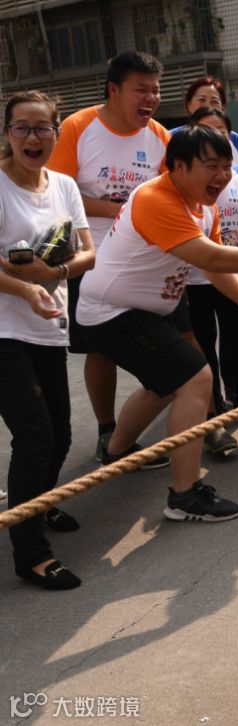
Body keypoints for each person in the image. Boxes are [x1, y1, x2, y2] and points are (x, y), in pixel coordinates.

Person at [76, 125, 238, 522]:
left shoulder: (203, 205)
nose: (222, 176)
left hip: (142, 312)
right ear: (177, 166)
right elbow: (212, 257)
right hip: (110, 311)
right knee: (195, 379)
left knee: (165, 384)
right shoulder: (155, 198)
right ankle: (185, 495)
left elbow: (211, 267)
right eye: (211, 166)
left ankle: (116, 453)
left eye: (227, 166)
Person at [47, 51, 172, 467]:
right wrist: (121, 210)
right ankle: (107, 430)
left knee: (171, 343)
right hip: (90, 257)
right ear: (114, 90)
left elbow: (169, 195)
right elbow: (59, 193)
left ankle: (186, 417)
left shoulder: (160, 136)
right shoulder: (78, 126)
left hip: (146, 261)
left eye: (156, 90)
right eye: (141, 89)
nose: (151, 98)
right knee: (98, 350)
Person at [0, 91, 97, 590]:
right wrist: (26, 287)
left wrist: (51, 274)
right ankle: (31, 555)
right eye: (22, 127)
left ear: (56, 133)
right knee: (35, 434)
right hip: (4, 330)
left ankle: (38, 503)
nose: (32, 137)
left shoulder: (63, 185)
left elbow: (88, 253)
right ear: (7, 133)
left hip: (47, 326)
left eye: (42, 128)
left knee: (59, 434)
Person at [184, 109, 238, 456]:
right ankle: (213, 406)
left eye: (221, 130)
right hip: (195, 276)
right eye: (207, 130)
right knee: (204, 341)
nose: (216, 136)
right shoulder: (188, 178)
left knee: (236, 337)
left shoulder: (236, 174)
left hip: (235, 270)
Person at [170, 76, 238, 164]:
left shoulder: (233, 139)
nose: (208, 106)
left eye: (215, 101)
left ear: (223, 107)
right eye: (201, 99)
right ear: (188, 105)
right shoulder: (170, 137)